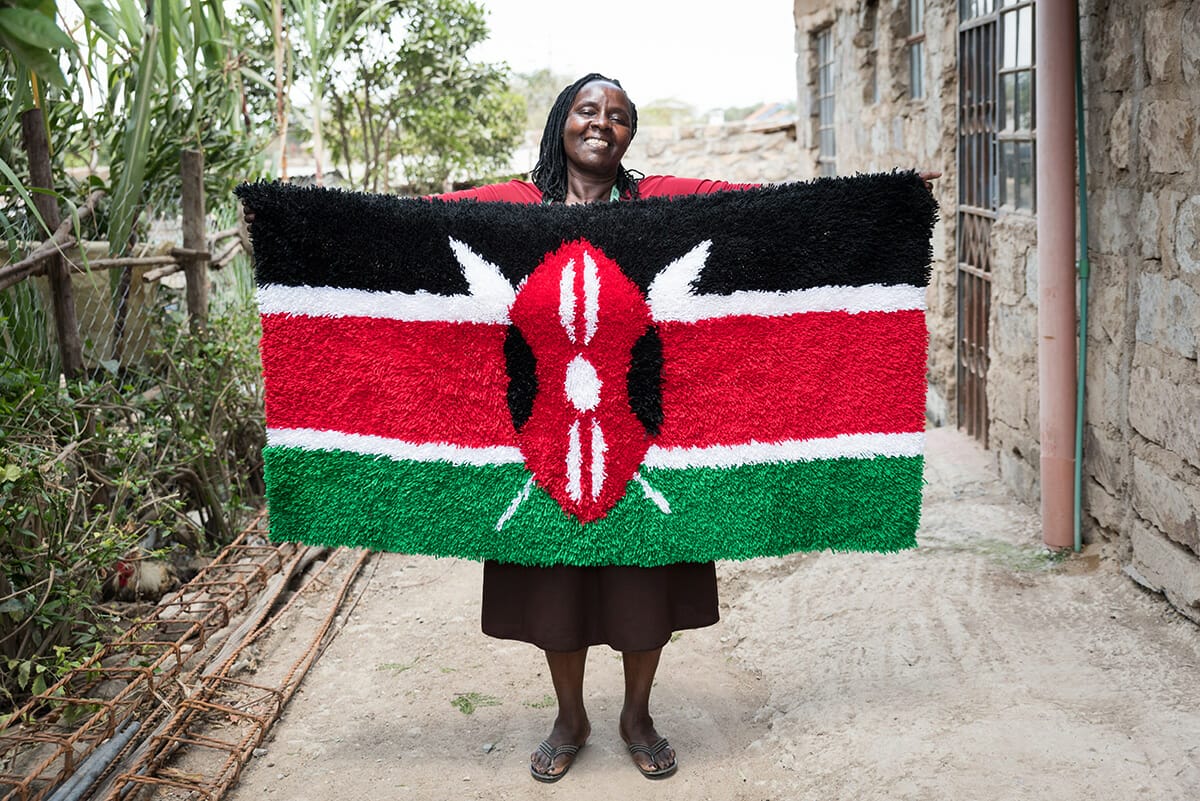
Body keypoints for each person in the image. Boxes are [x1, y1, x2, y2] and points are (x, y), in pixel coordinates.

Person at [439, 73, 757, 783]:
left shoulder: (656, 204)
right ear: (561, 121)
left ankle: (637, 714)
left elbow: (751, 209)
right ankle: (570, 715)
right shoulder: (517, 208)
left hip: (643, 431)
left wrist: (882, 201)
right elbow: (428, 222)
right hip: (547, 435)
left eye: (617, 116)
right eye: (587, 110)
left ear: (629, 135)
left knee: (646, 581)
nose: (601, 124)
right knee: (559, 583)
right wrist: (303, 227)